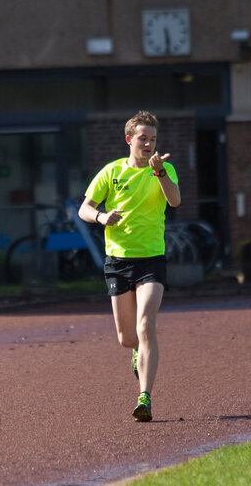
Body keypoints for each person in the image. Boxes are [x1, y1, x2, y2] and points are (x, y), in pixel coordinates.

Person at [78, 111, 181, 422]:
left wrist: (161, 173)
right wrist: (101, 217)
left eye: (152, 139)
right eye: (143, 138)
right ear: (129, 139)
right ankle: (137, 352)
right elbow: (85, 207)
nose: (148, 143)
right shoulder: (111, 173)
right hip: (118, 261)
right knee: (127, 337)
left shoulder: (164, 170)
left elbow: (175, 202)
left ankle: (145, 397)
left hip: (151, 259)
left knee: (146, 323)